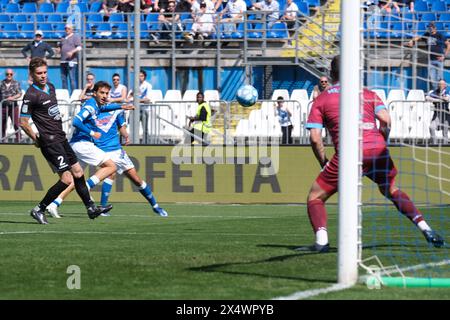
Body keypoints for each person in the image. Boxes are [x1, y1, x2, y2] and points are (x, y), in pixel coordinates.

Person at [303, 55, 444, 252]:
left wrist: (324, 162)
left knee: (315, 197)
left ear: (331, 73)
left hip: (350, 153)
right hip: (377, 149)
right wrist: (380, 144)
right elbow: (386, 120)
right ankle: (426, 228)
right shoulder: (368, 93)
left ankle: (321, 241)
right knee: (391, 189)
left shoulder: (322, 99)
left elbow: (315, 138)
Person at [19, 58, 111, 224]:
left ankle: (91, 208)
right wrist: (36, 139)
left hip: (61, 137)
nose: (43, 76)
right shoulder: (30, 95)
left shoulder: (51, 87)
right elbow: (23, 122)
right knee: (67, 179)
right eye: (39, 73)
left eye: (45, 72)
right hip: (49, 142)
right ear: (32, 74)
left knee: (78, 173)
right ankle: (39, 209)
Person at [46, 81, 135, 218]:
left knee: (74, 179)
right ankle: (87, 187)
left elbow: (105, 108)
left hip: (77, 145)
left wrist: (121, 106)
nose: (105, 96)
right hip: (83, 145)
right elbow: (76, 121)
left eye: (107, 93)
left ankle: (54, 204)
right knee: (111, 166)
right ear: (94, 93)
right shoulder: (91, 105)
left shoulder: (97, 105)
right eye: (102, 93)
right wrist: (92, 133)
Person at [408, 22, 446, 89]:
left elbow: (448, 44)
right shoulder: (427, 35)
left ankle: (442, 93)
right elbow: (418, 37)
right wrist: (412, 41)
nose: (430, 29)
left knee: (440, 78)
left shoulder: (440, 35)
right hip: (431, 60)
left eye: (431, 27)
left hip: (439, 60)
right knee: (432, 78)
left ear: (435, 28)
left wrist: (444, 56)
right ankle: (436, 93)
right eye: (429, 28)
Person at [59, 24, 82, 94]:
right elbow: (61, 47)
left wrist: (72, 52)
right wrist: (59, 50)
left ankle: (73, 94)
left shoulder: (75, 37)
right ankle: (65, 94)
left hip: (71, 61)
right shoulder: (63, 37)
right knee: (63, 79)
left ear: (72, 29)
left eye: (68, 28)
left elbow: (79, 47)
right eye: (65, 28)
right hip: (63, 61)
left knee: (72, 79)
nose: (67, 30)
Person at [0, 69, 22, 142]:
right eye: (7, 74)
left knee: (16, 124)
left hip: (13, 107)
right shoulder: (1, 83)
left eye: (11, 74)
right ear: (5, 74)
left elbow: (19, 93)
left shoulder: (16, 83)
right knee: (2, 125)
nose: (9, 75)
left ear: (13, 75)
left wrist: (12, 98)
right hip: (3, 107)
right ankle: (2, 140)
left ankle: (19, 140)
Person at [426, 79, 449, 145]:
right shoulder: (434, 91)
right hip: (437, 114)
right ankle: (434, 144)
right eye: (439, 84)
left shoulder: (447, 91)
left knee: (445, 132)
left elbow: (447, 99)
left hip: (446, 114)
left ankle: (445, 145)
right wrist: (439, 99)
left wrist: (437, 99)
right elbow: (427, 98)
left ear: (445, 85)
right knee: (431, 127)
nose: (440, 85)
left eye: (442, 84)